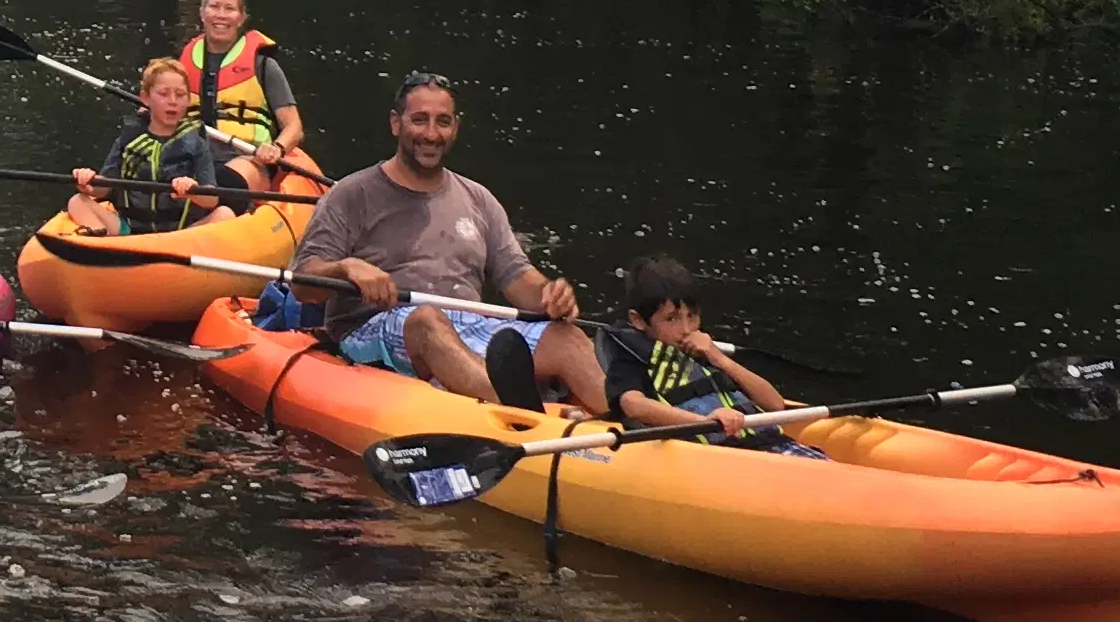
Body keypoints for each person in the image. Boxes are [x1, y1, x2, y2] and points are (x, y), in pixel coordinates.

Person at [288, 73, 608, 410]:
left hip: (467, 325)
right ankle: (519, 412)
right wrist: (346, 269)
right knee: (427, 320)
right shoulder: (351, 194)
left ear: (455, 127)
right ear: (396, 124)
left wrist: (549, 297)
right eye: (419, 120)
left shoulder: (479, 199)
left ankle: (637, 425)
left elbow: (516, 277)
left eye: (442, 122)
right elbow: (303, 284)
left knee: (566, 337)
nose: (431, 134)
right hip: (376, 326)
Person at [580, 255, 808, 444]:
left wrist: (719, 358)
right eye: (672, 319)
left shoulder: (706, 355)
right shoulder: (631, 360)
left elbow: (775, 404)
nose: (686, 329)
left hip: (769, 445)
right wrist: (704, 420)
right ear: (638, 321)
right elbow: (633, 405)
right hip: (719, 457)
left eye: (692, 316)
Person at [58, 56, 260, 233]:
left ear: (188, 100)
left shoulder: (196, 143)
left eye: (180, 95)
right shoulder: (128, 139)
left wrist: (193, 189)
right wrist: (89, 181)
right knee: (77, 201)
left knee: (224, 213)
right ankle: (97, 241)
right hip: (129, 230)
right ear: (146, 98)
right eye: (163, 94)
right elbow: (105, 189)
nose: (173, 101)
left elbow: (211, 200)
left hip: (180, 233)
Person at [176, 0, 307, 162]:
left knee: (225, 178)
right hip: (194, 155)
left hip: (248, 158)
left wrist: (276, 148)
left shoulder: (263, 66)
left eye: (229, 8)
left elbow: (294, 127)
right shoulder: (181, 66)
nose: (220, 15)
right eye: (214, 6)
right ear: (202, 13)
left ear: (241, 18)